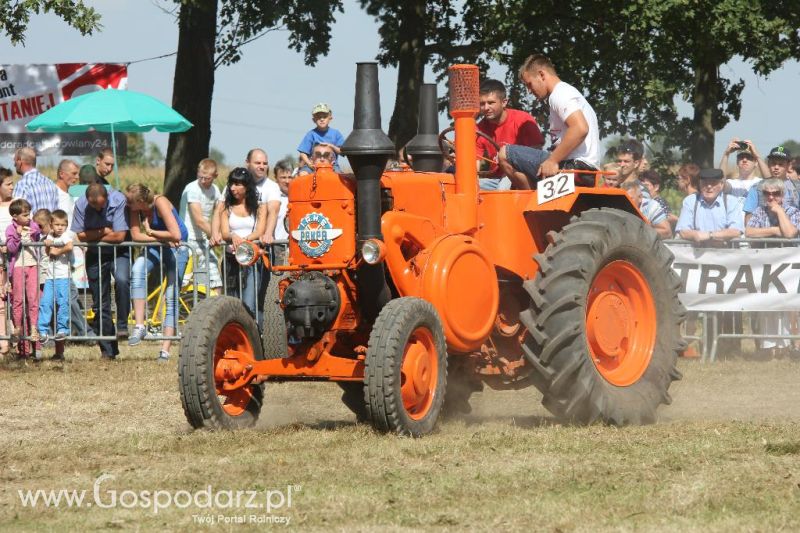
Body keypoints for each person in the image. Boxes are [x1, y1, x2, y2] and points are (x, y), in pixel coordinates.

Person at [498, 54, 600, 189]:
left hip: (575, 166)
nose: (529, 91)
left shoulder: (560, 94)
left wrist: (552, 160)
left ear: (541, 75)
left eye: (529, 84)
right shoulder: (566, 93)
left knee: (505, 153)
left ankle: (532, 204)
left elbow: (580, 128)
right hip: (584, 167)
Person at [126, 184, 189, 361]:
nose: (127, 204)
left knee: (171, 294)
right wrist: (159, 238)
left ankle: (165, 348)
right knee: (137, 269)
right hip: (158, 246)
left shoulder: (159, 202)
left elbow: (176, 234)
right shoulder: (134, 208)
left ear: (139, 201)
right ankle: (139, 325)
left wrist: (152, 231)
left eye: (130, 201)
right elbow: (136, 236)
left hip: (178, 249)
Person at [71, 183, 128, 360]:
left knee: (122, 280)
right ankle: (107, 349)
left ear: (107, 198)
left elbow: (119, 236)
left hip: (120, 252)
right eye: (93, 205)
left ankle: (122, 325)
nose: (97, 208)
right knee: (99, 302)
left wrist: (93, 235)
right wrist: (104, 231)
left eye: (101, 205)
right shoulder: (81, 204)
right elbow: (80, 236)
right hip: (95, 255)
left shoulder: (118, 200)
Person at [745, 178, 800, 357]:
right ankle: (767, 348)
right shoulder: (759, 211)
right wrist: (775, 231)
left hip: (789, 270)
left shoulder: (793, 211)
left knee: (787, 308)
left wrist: (779, 212)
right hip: (766, 267)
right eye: (767, 194)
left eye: (775, 194)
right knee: (766, 306)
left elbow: (791, 233)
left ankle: (786, 347)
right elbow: (749, 232)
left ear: (782, 195)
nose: (771, 197)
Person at [219, 168, 267, 327]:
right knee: (231, 304)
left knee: (249, 305)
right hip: (231, 260)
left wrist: (244, 241)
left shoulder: (259, 208)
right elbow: (225, 232)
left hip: (251, 260)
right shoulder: (226, 208)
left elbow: (259, 231)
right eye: (231, 184)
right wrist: (233, 236)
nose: (233, 188)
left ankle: (252, 339)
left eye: (237, 184)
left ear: (247, 186)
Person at [475, 78, 544, 190]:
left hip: (521, 173)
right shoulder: (479, 129)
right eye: (482, 104)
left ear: (504, 102)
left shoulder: (523, 120)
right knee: (471, 188)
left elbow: (536, 153)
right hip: (496, 179)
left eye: (491, 103)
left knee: (502, 190)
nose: (486, 108)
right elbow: (475, 162)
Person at [179, 158, 222, 296]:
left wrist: (220, 232)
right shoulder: (192, 189)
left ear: (215, 176)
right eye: (200, 177)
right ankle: (165, 311)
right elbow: (199, 220)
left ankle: (213, 311)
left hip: (203, 240)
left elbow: (219, 212)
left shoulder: (216, 190)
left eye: (207, 178)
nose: (203, 181)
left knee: (214, 281)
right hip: (187, 240)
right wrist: (215, 235)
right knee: (180, 281)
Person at [37, 209, 75, 360]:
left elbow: (70, 246)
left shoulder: (66, 236)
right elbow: (47, 252)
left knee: (63, 303)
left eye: (63, 225)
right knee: (45, 303)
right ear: (51, 224)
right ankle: (43, 330)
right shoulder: (49, 235)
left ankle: (62, 329)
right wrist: (48, 245)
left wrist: (57, 251)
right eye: (57, 224)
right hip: (50, 277)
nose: (60, 227)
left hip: (63, 277)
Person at [5, 198, 41, 358]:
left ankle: (34, 327)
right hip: (18, 266)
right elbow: (11, 248)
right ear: (15, 216)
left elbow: (38, 236)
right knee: (18, 300)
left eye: (29, 214)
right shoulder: (10, 229)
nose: (29, 217)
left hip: (32, 265)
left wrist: (34, 231)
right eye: (25, 215)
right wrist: (18, 235)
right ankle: (17, 328)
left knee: (33, 299)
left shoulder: (32, 225)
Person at [742, 146, 799, 226]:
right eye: (773, 163)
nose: (776, 167)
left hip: (793, 236)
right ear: (768, 164)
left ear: (789, 166)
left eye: (780, 164)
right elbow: (749, 218)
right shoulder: (757, 188)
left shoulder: (797, 187)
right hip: (763, 237)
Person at [297, 103, 345, 172]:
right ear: (314, 120)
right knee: (303, 174)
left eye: (324, 117)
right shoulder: (311, 134)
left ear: (330, 118)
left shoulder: (336, 133)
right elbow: (303, 153)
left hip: (332, 166)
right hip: (313, 165)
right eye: (318, 117)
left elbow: (342, 152)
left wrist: (331, 146)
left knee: (338, 177)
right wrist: (309, 164)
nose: (322, 119)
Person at [12, 147, 59, 214]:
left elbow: (17, 214)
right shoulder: (50, 183)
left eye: (15, 161)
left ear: (20, 161)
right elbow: (56, 214)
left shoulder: (22, 185)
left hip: (30, 224)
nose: (14, 164)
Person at [0, 169, 13, 356]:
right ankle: (3, 342)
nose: (12, 187)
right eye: (8, 184)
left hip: (15, 260)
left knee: (17, 300)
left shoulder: (17, 206)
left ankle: (20, 343)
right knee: (1, 302)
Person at [273, 159, 294, 265]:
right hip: (277, 246)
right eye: (283, 177)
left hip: (295, 246)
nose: (287, 181)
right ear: (276, 179)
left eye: (290, 177)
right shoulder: (273, 197)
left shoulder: (298, 195)